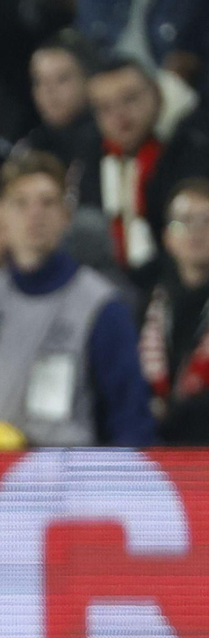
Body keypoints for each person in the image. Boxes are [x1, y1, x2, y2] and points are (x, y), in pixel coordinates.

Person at [0, 151, 154, 447]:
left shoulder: (101, 305)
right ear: (2, 215)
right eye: (21, 203)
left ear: (66, 216)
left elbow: (129, 417)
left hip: (69, 482)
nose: (35, 213)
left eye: (48, 202)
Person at [79, 57, 209, 274]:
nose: (119, 115)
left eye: (129, 99)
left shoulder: (192, 148)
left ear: (156, 94)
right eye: (105, 108)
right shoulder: (91, 158)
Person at [137, 179, 209, 442]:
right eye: (185, 221)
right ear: (167, 236)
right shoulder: (147, 305)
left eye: (206, 220)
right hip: (158, 449)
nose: (196, 232)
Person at [17, 34, 101, 167]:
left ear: (89, 80)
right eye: (39, 81)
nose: (49, 91)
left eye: (62, 79)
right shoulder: (29, 149)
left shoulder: (109, 141)